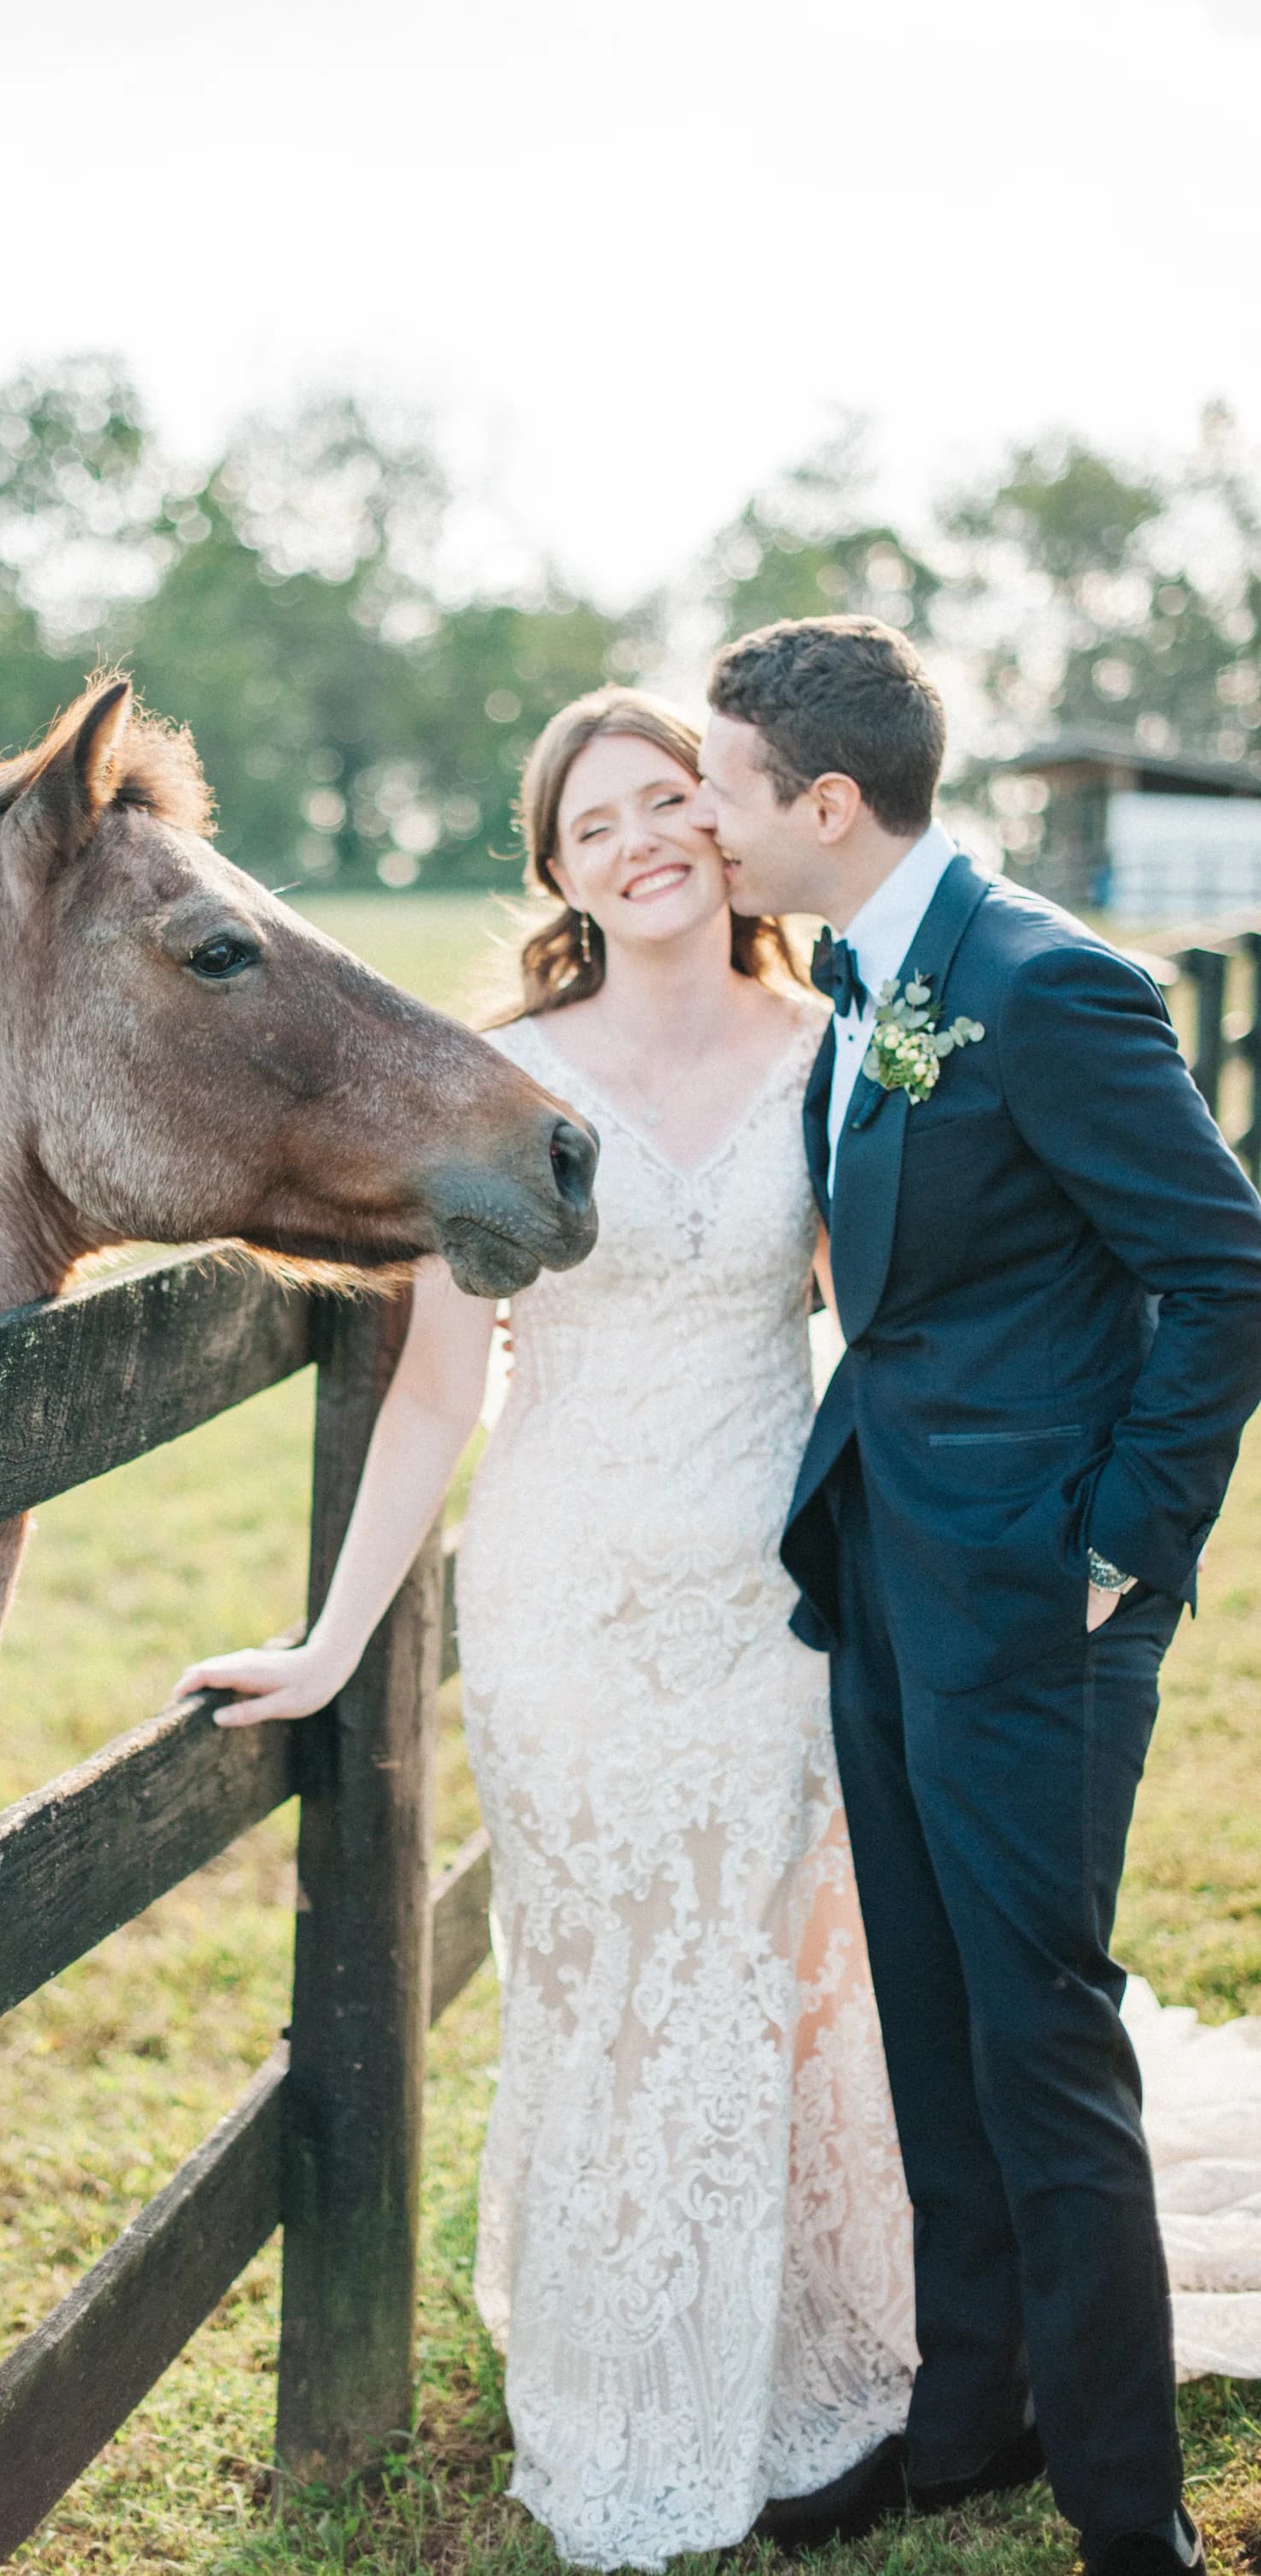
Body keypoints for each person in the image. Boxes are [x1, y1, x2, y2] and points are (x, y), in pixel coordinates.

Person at [177, 686, 917, 2569]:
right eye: (595, 826)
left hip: (774, 1592)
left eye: (669, 801)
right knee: (599, 1983)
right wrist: (343, 1638)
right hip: (563, 1594)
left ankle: (795, 2361)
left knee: (772, 1976)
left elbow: (884, 1334)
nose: (642, 841)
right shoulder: (494, 1075)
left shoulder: (836, 1054)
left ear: (729, 827)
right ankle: (619, 2397)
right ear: (559, 875)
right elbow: (438, 1391)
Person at [691, 614, 1261, 2576]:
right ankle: (965, 2422)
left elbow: (1223, 1270)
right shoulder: (862, 981)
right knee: (928, 2013)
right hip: (885, 1565)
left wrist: (1120, 1542)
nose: (710, 824)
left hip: (1039, 1602)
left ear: (826, 802)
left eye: (726, 791)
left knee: (1039, 2035)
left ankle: (1124, 2512)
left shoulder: (1043, 983)